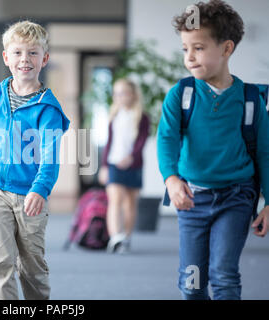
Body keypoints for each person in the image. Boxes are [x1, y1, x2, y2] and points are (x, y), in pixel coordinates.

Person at [157, 0, 269, 300]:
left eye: (198, 48)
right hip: (193, 201)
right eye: (185, 49)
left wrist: (268, 202)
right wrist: (171, 178)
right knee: (192, 285)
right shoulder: (181, 95)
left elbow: (265, 154)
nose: (189, 57)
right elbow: (166, 139)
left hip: (236, 198)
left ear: (226, 49)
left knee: (224, 276)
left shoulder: (250, 100)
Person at [0, 20, 70, 300]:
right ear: (6, 58)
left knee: (31, 267)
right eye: (17, 53)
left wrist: (40, 189)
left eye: (33, 53)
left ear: (44, 58)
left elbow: (49, 156)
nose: (25, 60)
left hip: (31, 195)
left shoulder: (48, 108)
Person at [98, 79, 150, 254]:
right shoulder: (114, 116)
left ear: (133, 94)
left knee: (130, 204)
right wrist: (104, 166)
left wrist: (131, 158)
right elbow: (109, 143)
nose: (119, 97)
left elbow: (141, 142)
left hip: (133, 165)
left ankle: (126, 237)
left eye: (123, 93)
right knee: (115, 200)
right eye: (116, 93)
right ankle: (115, 237)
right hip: (114, 164)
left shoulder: (142, 117)